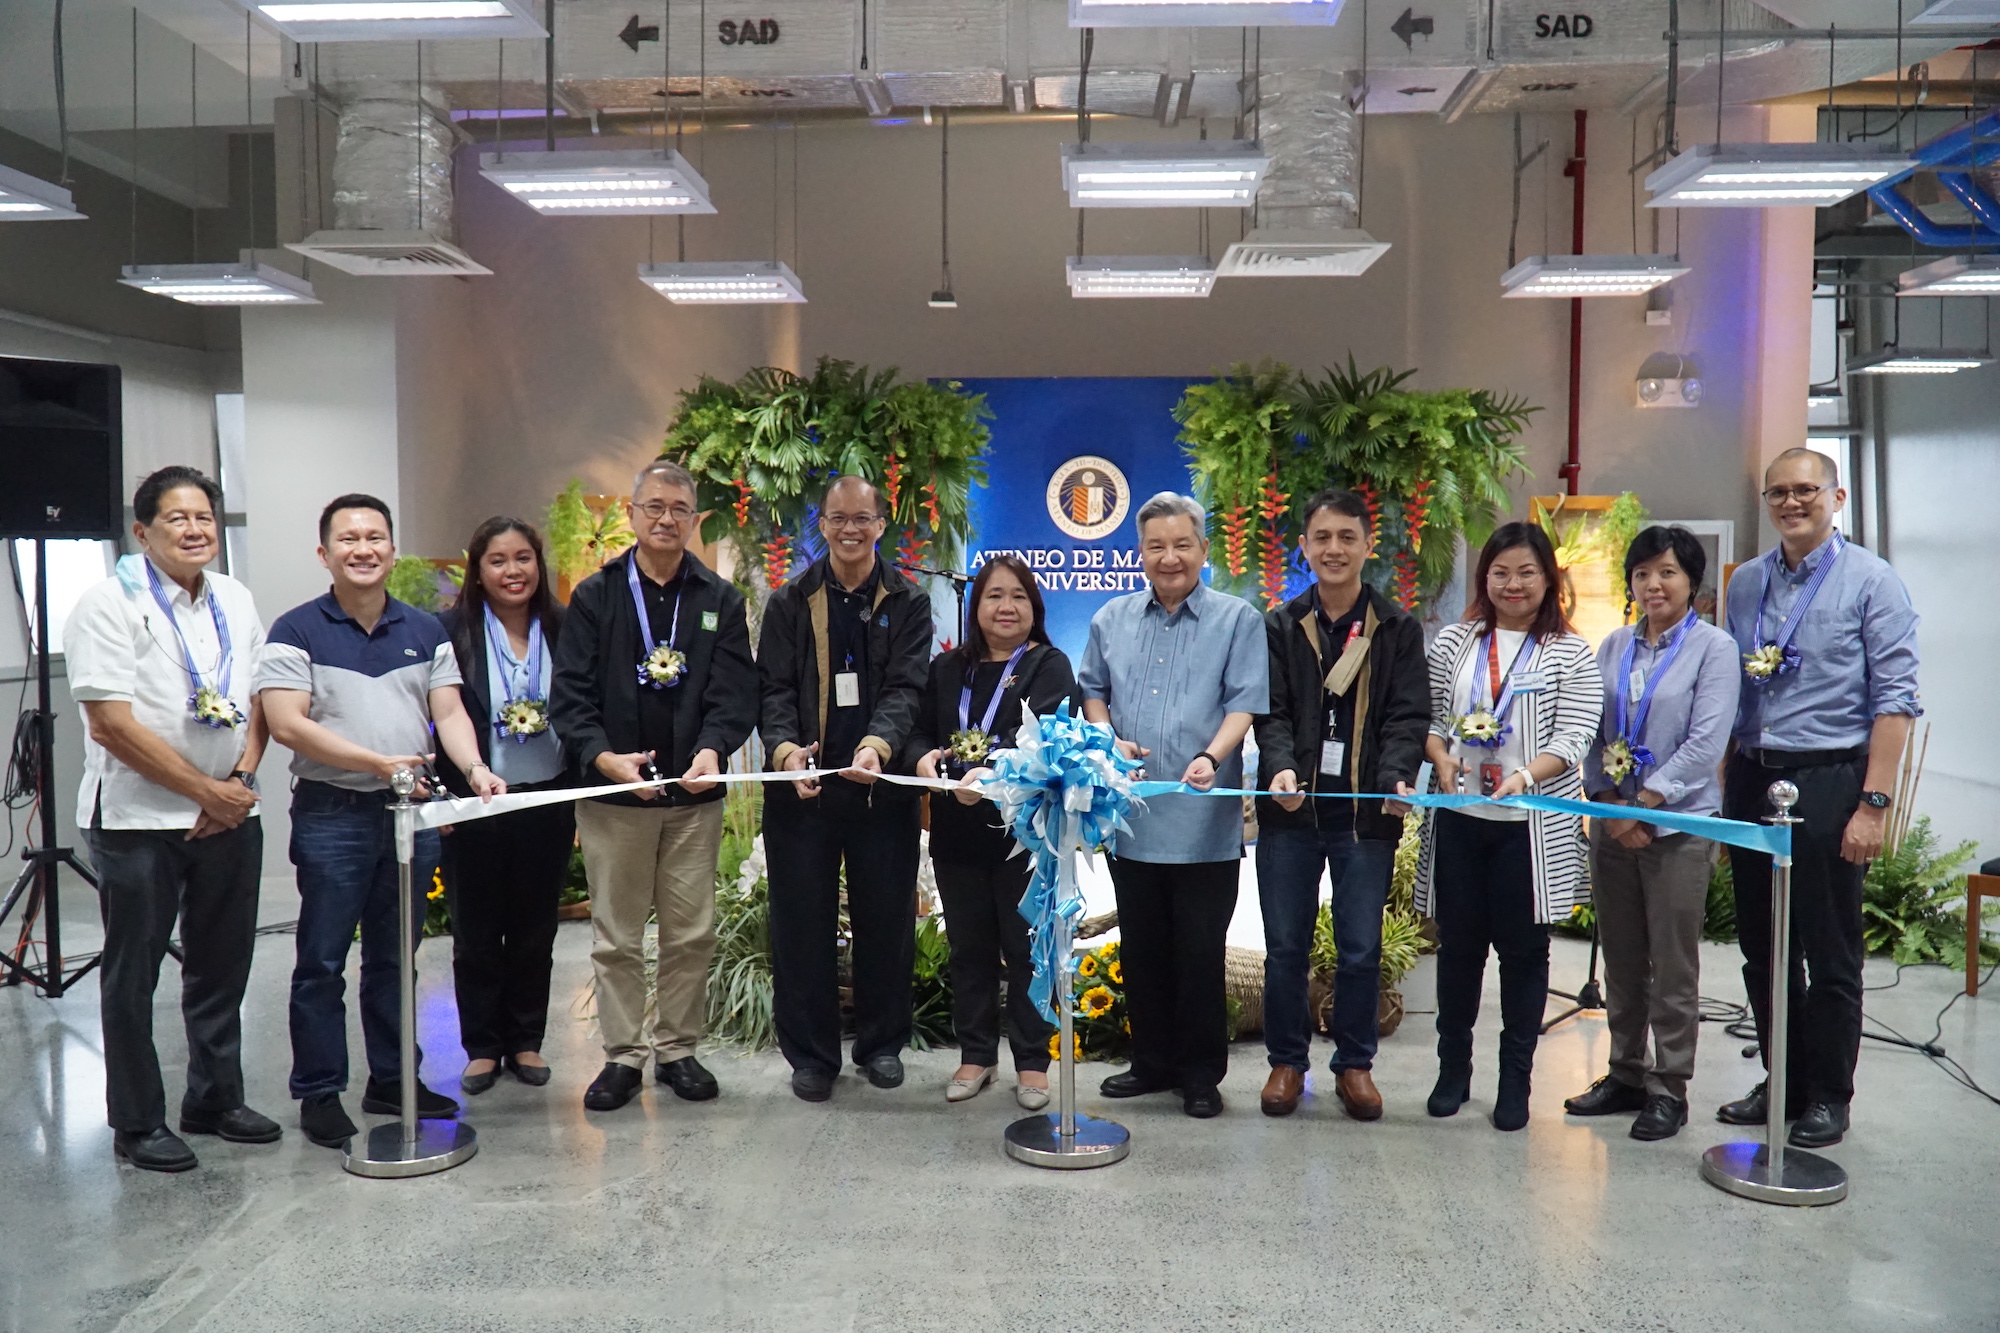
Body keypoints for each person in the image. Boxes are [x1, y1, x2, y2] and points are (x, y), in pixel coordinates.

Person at [258, 494, 505, 1149]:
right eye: (348, 538)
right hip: (332, 815)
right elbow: (287, 722)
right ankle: (319, 1090)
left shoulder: (426, 630)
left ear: (393, 550)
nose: (363, 548)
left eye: (375, 537)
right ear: (325, 553)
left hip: (408, 818)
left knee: (397, 959)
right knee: (322, 960)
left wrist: (475, 769)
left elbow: (448, 713)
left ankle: (394, 1079)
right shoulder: (296, 629)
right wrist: (377, 762)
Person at [64, 466, 273, 1172]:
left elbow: (257, 703)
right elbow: (110, 726)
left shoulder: (236, 600)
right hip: (136, 819)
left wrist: (237, 783)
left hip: (227, 815)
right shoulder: (106, 603)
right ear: (142, 529)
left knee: (221, 966)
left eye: (205, 518)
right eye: (177, 518)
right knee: (133, 973)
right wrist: (203, 791)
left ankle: (214, 1096)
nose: (194, 529)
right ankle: (136, 1120)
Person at [1718, 448, 1919, 1148]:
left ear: (1835, 497)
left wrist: (1874, 802)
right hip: (1752, 773)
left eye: (1806, 490)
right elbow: (1731, 688)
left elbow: (1896, 702)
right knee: (1761, 946)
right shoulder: (1744, 583)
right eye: (1778, 491)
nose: (1791, 501)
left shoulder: (1872, 581)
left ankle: (1830, 1095)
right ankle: (1785, 1078)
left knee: (1829, 949)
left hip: (1831, 778)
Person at [549, 460, 757, 1114]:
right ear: (634, 513)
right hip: (614, 799)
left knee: (691, 932)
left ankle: (677, 1049)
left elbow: (735, 694)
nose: (666, 519)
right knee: (616, 935)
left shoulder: (720, 600)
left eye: (679, 509)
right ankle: (621, 1056)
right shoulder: (596, 595)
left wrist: (712, 748)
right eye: (654, 507)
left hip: (692, 799)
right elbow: (570, 698)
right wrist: (604, 758)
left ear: (695, 520)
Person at [1079, 492, 1268, 1120]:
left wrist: (1213, 757)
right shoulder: (1110, 619)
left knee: (1197, 950)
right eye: (1155, 546)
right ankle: (1151, 1063)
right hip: (1131, 820)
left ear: (1204, 550)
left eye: (1181, 545)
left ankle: (1200, 1074)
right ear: (1140, 553)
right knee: (1142, 946)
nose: (1169, 558)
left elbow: (1244, 702)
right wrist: (1106, 740)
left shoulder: (1237, 620)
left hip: (1204, 821)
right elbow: (1093, 692)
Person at [1415, 521, 1601, 1132]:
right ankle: (1452, 1071)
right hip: (1463, 819)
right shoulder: (1454, 642)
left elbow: (1575, 737)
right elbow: (1433, 718)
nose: (1512, 584)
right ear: (1484, 578)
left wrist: (1525, 774)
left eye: (1526, 572)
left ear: (1549, 579)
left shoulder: (1569, 652)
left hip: (1531, 828)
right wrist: (1439, 757)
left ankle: (1515, 1081)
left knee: (1524, 954)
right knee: (1458, 950)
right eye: (1500, 572)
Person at [1253, 489, 1430, 1121]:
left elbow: (1410, 715)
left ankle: (1355, 1064)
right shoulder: (1278, 625)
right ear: (1303, 546)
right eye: (1321, 537)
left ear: (1366, 545)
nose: (1333, 549)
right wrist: (1278, 768)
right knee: (1284, 948)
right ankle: (1286, 1063)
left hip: (1365, 816)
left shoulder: (1398, 628)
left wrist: (1396, 777)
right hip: (1289, 814)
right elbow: (1268, 711)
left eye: (1346, 537)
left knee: (1359, 948)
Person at [759, 475, 934, 1102]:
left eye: (863, 518)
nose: (851, 530)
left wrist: (875, 748)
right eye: (838, 519)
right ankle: (810, 1057)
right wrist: (784, 753)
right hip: (801, 793)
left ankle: (882, 1046)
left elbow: (909, 687)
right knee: (800, 925)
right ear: (823, 526)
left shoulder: (908, 600)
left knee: (886, 921)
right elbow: (773, 690)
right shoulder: (789, 601)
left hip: (878, 789)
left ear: (881, 524)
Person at [1567, 525, 1741, 1140]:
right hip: (1615, 823)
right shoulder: (1614, 645)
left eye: (1666, 572)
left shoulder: (1714, 648)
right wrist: (1609, 805)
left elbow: (1706, 742)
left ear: (1691, 580)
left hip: (1679, 827)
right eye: (1643, 573)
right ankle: (1625, 1072)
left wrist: (1644, 804)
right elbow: (1590, 730)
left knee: (1672, 963)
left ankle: (1670, 1086)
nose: (1654, 584)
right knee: (1621, 957)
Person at [909, 554, 1071, 1108]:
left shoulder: (1049, 665)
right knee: (969, 950)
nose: (1006, 607)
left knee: (1027, 950)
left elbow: (1046, 743)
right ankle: (975, 1055)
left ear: (1034, 607)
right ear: (975, 606)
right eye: (994, 596)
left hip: (1022, 838)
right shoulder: (947, 670)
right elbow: (919, 733)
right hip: (957, 832)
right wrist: (924, 760)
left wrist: (994, 770)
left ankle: (1032, 1062)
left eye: (1019, 596)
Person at [437, 517, 576, 1096]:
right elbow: (443, 714)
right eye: (497, 560)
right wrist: (453, 791)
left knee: (535, 927)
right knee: (474, 927)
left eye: (523, 558)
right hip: (478, 798)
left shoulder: (566, 628)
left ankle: (525, 1039)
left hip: (548, 797)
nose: (512, 571)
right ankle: (482, 1047)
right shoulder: (452, 631)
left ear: (538, 565)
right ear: (478, 569)